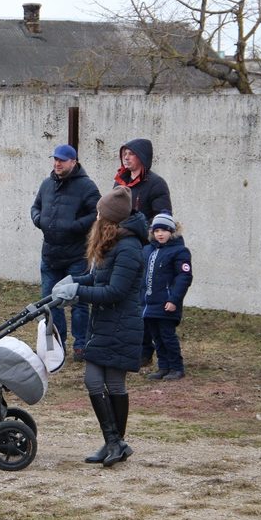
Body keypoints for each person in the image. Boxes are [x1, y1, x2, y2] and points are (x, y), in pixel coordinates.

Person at [51, 186, 147, 467]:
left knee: (112, 383)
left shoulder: (129, 247)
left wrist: (77, 294)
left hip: (121, 325)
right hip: (106, 323)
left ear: (110, 219)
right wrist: (74, 281)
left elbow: (115, 291)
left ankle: (114, 442)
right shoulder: (115, 242)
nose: (95, 215)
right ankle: (114, 443)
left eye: (99, 212)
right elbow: (99, 279)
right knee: (95, 381)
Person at [31, 144, 100, 360]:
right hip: (50, 255)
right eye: (55, 159)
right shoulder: (47, 184)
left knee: (78, 301)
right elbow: (36, 207)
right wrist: (38, 219)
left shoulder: (87, 187)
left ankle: (81, 345)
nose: (57, 163)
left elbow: (96, 214)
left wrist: (75, 226)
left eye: (62, 160)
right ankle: (58, 343)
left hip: (76, 256)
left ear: (73, 162)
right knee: (50, 302)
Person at [113, 137, 173, 367]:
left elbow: (162, 220)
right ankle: (126, 345)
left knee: (142, 301)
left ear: (143, 157)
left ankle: (145, 350)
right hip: (122, 247)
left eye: (131, 153)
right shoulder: (120, 182)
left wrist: (139, 232)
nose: (126, 157)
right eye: (124, 153)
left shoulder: (156, 184)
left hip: (145, 250)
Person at [142, 213, 193, 381]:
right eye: (156, 230)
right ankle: (163, 367)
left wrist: (173, 300)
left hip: (167, 304)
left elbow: (184, 277)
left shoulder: (179, 251)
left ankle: (177, 368)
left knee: (167, 336)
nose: (160, 234)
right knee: (156, 336)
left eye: (164, 230)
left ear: (172, 231)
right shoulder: (147, 250)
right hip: (149, 304)